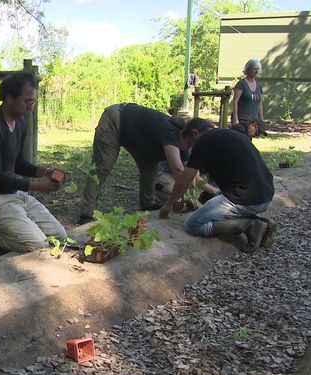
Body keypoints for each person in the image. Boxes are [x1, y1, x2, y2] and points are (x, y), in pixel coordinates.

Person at [0, 72, 67, 253]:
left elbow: (18, 163)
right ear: (8, 98)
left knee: (60, 236)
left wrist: (46, 172)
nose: (31, 107)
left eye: (33, 101)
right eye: (27, 101)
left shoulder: (20, 123)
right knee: (39, 244)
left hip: (14, 195)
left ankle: (13, 227)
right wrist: (37, 186)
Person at [159, 118, 276, 253]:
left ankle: (250, 225)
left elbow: (187, 178)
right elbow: (198, 179)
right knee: (206, 197)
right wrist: (211, 190)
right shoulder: (233, 135)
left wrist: (168, 204)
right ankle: (263, 223)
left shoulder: (204, 141)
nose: (190, 148)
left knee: (193, 225)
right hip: (265, 195)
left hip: (245, 198)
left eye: (190, 143)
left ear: (195, 134)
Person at [77, 103, 189, 224]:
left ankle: (148, 202)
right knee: (101, 168)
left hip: (135, 135)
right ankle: (86, 213)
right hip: (114, 120)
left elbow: (189, 172)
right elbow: (178, 170)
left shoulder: (186, 142)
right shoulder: (170, 133)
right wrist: (182, 198)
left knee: (150, 164)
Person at [232, 59, 264, 127]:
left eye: (258, 69)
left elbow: (260, 104)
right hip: (242, 120)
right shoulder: (241, 84)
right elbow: (235, 101)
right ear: (249, 69)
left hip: (253, 121)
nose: (256, 71)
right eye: (254, 69)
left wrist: (261, 120)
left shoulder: (259, 86)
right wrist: (235, 119)